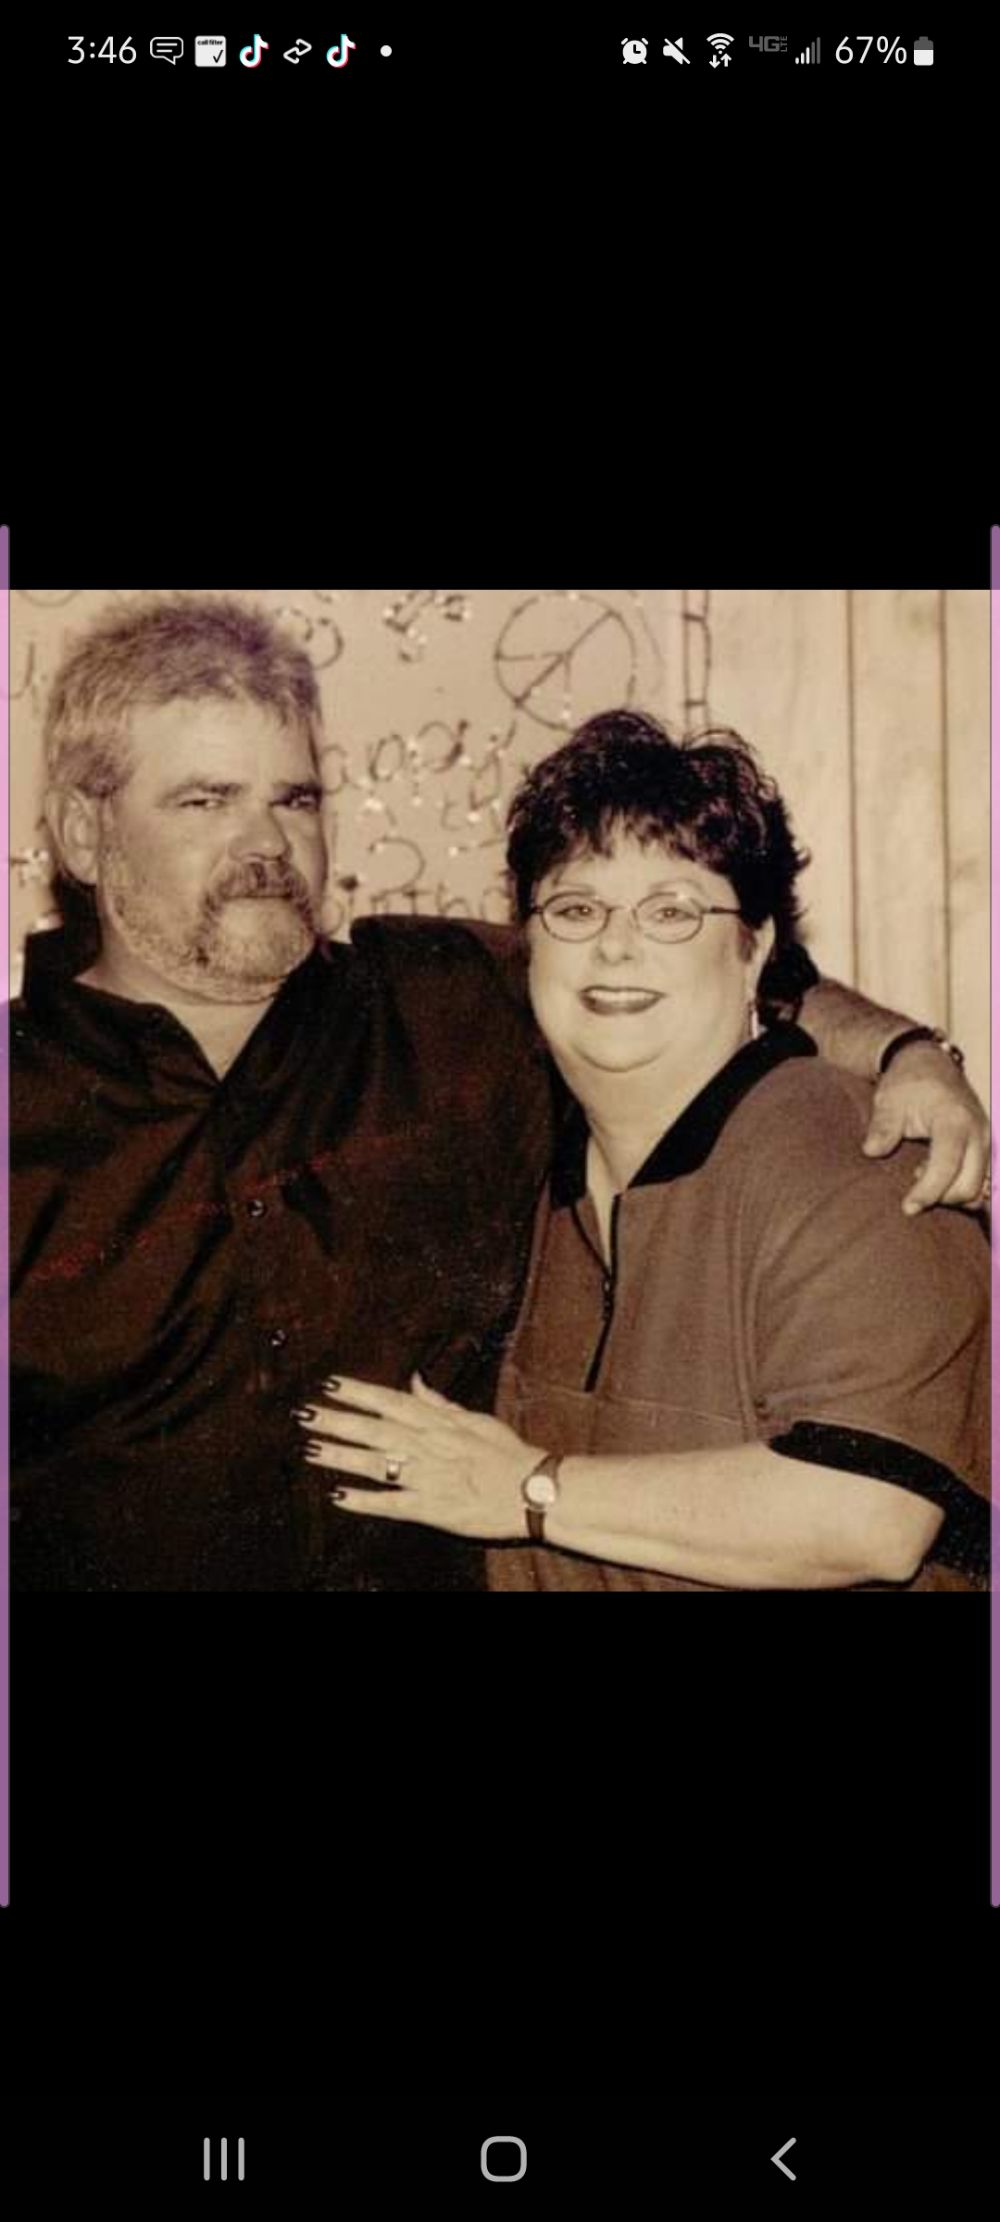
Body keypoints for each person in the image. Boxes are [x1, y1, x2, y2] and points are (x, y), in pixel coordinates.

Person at [10, 603, 988, 1591]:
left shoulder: (443, 997)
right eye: (205, 801)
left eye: (294, 799)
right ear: (85, 835)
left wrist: (908, 1054)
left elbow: (691, 973)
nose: (266, 841)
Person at [300, 712, 989, 1591]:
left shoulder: (858, 1158)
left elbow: (868, 1515)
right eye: (576, 908)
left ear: (755, 953)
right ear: (527, 945)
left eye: (672, 911)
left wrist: (527, 1490)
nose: (615, 945)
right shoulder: (534, 1161)